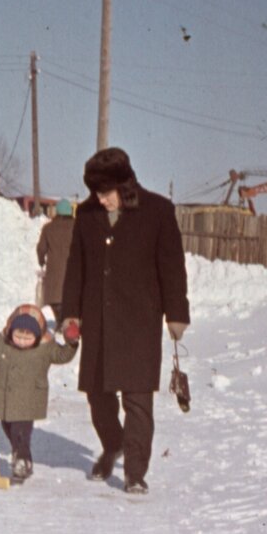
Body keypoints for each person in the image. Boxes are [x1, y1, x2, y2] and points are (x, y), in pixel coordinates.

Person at [60, 147, 191, 495]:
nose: (101, 200)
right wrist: (70, 312)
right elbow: (76, 266)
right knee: (97, 396)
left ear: (125, 185)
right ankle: (113, 443)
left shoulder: (158, 211)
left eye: (106, 193)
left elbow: (172, 266)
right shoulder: (87, 214)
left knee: (137, 399)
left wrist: (176, 313)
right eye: (96, 193)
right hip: (99, 319)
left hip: (139, 320)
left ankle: (135, 471)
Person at [0, 304, 80, 484]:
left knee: (20, 431)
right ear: (11, 330)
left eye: (27, 338)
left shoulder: (45, 347)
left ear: (37, 336)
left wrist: (72, 342)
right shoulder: (1, 343)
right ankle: (22, 455)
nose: (21, 341)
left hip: (28, 400)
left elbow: (62, 356)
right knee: (8, 428)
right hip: (5, 398)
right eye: (18, 336)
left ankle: (21, 461)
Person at [37, 199, 75, 320]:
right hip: (73, 276)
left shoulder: (48, 228)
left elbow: (41, 249)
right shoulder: (78, 227)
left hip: (54, 278)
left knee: (53, 314)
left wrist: (41, 261)